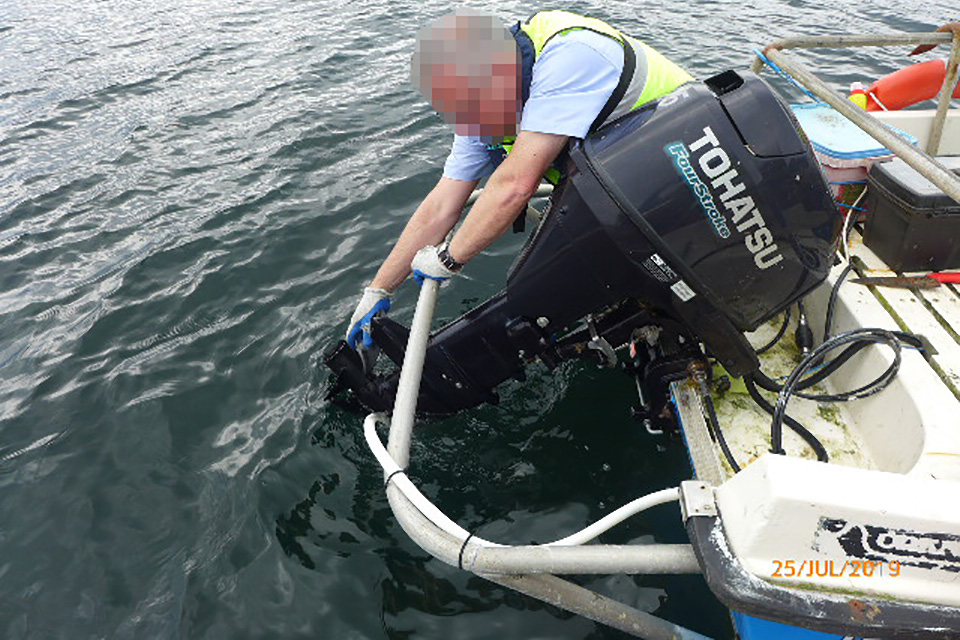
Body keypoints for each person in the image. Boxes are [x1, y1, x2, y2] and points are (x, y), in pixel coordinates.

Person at [345, 9, 693, 353]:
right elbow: (440, 206)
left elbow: (514, 186)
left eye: (470, 106)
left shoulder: (571, 57)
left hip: (686, 175)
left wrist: (447, 260)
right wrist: (379, 290)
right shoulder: (480, 109)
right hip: (628, 193)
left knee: (548, 284)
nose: (467, 122)